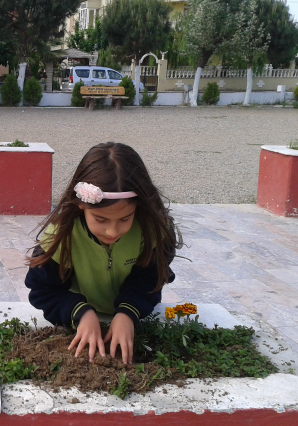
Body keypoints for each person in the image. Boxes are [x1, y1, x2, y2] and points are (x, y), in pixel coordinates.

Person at [25, 142, 182, 364]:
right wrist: (80, 313)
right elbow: (42, 290)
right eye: (101, 219)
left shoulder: (154, 231)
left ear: (139, 206)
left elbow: (150, 280)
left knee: (174, 313)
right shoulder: (60, 237)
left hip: (134, 314)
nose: (112, 231)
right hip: (80, 318)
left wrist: (128, 312)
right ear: (81, 204)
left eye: (125, 218)